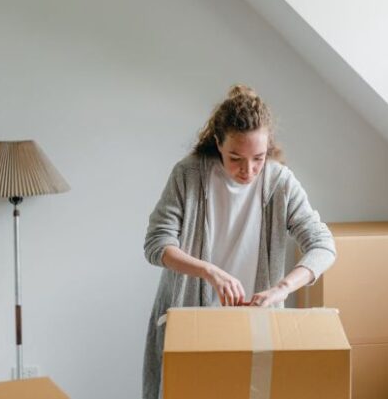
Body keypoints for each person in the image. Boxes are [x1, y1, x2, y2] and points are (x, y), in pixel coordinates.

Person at [142, 85, 336, 399]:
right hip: (192, 323)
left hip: (255, 325)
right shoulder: (188, 176)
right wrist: (210, 272)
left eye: (258, 158)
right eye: (236, 158)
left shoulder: (280, 182)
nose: (248, 170)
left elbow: (323, 245)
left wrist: (281, 289)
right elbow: (156, 243)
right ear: (218, 143)